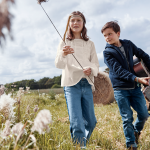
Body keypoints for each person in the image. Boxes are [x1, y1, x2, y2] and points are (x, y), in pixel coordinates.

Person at [101, 21, 150, 150]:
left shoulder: (128, 44)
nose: (107, 38)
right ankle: (131, 144)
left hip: (134, 88)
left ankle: (136, 131)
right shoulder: (107, 53)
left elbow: (143, 55)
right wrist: (137, 79)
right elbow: (118, 71)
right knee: (127, 117)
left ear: (118, 33)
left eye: (110, 34)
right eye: (105, 36)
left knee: (144, 114)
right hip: (120, 89)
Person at [55, 11, 99, 148]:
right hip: (70, 84)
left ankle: (80, 141)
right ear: (69, 24)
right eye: (72, 20)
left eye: (78, 20)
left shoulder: (90, 43)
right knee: (77, 122)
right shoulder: (64, 42)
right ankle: (80, 146)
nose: (75, 23)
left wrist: (91, 70)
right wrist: (63, 53)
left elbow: (96, 64)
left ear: (83, 23)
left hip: (86, 84)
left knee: (91, 122)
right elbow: (59, 64)